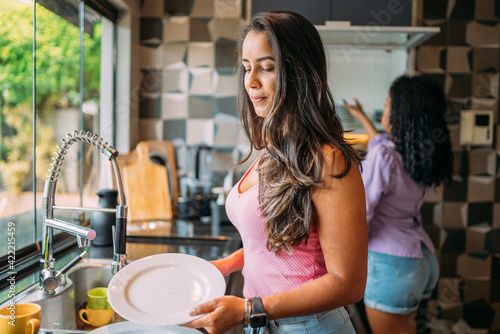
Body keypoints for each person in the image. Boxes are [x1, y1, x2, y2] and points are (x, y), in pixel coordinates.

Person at [183, 10, 368, 334]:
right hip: (264, 324)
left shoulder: (330, 161)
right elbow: (278, 243)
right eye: (246, 68)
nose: (251, 81)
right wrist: (228, 265)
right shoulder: (271, 151)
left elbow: (347, 283)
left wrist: (250, 309)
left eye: (267, 68)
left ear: (301, 73)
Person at [344, 75, 453, 334]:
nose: (385, 106)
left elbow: (362, 213)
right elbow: (382, 142)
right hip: (420, 260)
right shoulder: (422, 153)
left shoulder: (384, 157)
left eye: (389, 102)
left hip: (391, 266)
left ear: (401, 112)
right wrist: (361, 117)